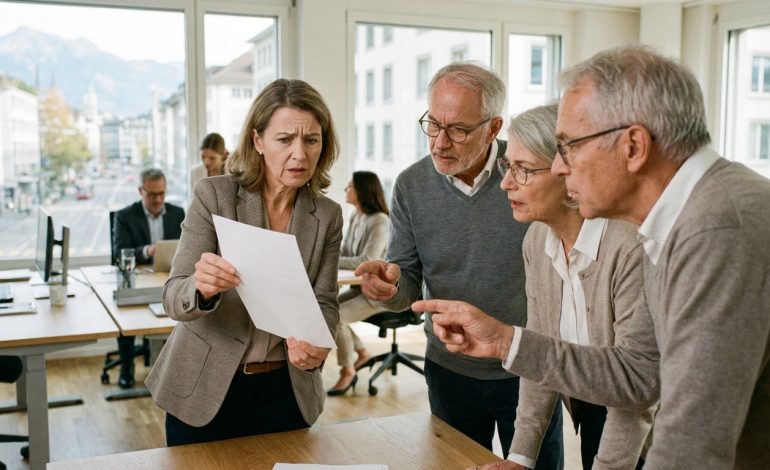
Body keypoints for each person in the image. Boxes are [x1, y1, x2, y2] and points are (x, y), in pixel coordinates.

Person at [415, 45, 770, 469]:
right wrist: (506, 341)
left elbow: (692, 446)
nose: (562, 168)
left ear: (633, 146)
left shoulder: (716, 228)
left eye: (570, 147)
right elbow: (638, 376)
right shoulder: (678, 219)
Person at [355, 63, 563, 465]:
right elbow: (408, 283)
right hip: (450, 369)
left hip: (528, 367)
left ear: (493, 127)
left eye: (458, 129)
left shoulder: (528, 173)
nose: (439, 142)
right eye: (433, 125)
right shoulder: (411, 185)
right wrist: (391, 288)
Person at [146, 78, 343, 446]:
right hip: (206, 388)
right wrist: (201, 288)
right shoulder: (215, 196)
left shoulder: (328, 215)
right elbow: (174, 297)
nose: (299, 155)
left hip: (287, 392)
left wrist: (319, 341)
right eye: (285, 140)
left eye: (311, 140)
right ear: (258, 141)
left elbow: (326, 302)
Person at [489, 102, 653, 469]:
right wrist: (519, 457)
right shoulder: (536, 240)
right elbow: (540, 352)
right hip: (593, 407)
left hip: (649, 432)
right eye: (507, 165)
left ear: (568, 173)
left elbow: (636, 398)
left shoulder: (628, 246)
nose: (505, 182)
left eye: (523, 170)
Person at [112, 167, 185, 389]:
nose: (158, 199)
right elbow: (119, 253)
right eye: (152, 194)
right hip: (137, 277)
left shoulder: (177, 213)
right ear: (141, 191)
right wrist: (146, 251)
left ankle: (170, 371)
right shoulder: (125, 216)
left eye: (162, 193)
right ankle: (127, 367)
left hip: (166, 276)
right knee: (125, 312)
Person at [327, 171, 389, 396]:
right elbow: (345, 252)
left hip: (378, 292)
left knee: (337, 318)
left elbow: (367, 260)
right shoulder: (356, 216)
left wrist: (329, 258)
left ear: (363, 190)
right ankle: (362, 353)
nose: (346, 189)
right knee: (325, 310)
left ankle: (348, 371)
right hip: (359, 286)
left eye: (350, 185)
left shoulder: (380, 221)